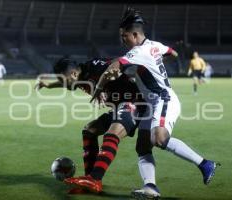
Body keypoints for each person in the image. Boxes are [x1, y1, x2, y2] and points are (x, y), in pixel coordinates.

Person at [67, 7, 220, 199]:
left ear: (135, 34)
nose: (123, 40)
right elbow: (171, 52)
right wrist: (159, 60)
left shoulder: (138, 52)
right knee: (143, 147)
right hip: (149, 104)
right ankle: (151, 187)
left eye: (124, 36)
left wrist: (98, 90)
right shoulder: (154, 45)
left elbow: (113, 68)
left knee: (160, 138)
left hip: (163, 99)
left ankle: (205, 164)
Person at [36, 57, 157, 195]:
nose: (64, 83)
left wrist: (102, 85)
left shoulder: (95, 67)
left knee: (112, 135)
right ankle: (89, 179)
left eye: (63, 79)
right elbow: (65, 83)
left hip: (135, 102)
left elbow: (115, 66)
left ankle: (95, 178)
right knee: (89, 130)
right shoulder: (77, 78)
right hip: (119, 107)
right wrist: (47, 85)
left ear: (74, 74)